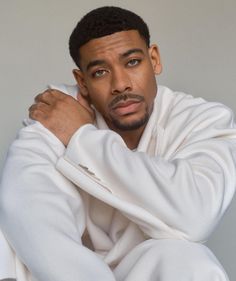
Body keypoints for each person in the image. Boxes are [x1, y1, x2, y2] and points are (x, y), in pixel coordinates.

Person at [0, 6, 235, 281]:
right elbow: (30, 212)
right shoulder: (58, 110)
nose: (121, 84)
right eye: (100, 72)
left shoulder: (205, 120)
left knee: (190, 260)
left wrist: (81, 136)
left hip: (151, 270)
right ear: (82, 82)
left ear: (154, 59)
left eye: (132, 62)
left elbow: (195, 217)